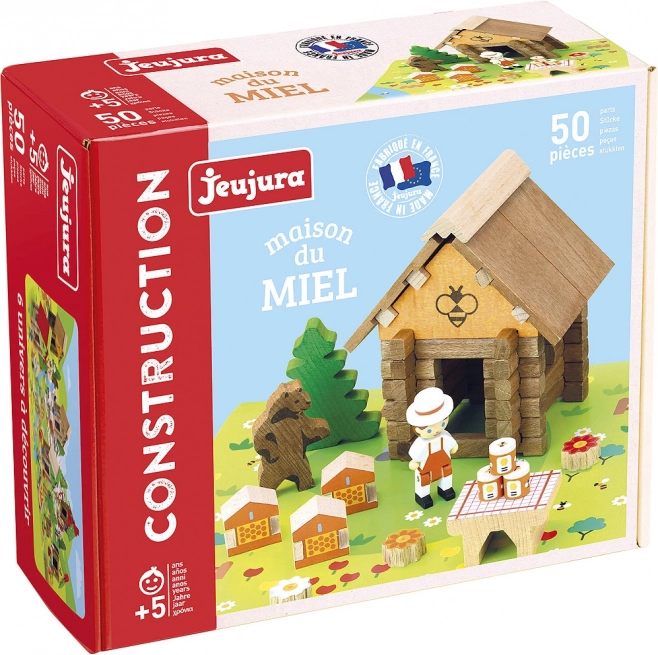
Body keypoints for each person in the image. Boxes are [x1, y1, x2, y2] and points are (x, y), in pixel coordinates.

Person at [406, 387, 458, 508]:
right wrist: (414, 462)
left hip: (444, 464)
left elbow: (451, 444)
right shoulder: (422, 443)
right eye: (429, 430)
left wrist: (454, 447)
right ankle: (423, 496)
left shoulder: (444, 436)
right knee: (424, 481)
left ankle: (446, 489)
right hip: (426, 468)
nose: (436, 431)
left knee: (446, 475)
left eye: (442, 423)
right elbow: (415, 456)